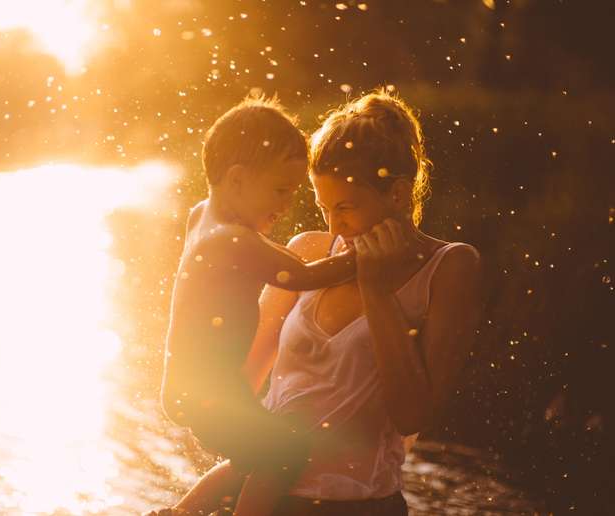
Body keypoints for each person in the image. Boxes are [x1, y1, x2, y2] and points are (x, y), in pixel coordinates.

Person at [157, 89, 482, 516]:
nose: (334, 225)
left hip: (360, 505)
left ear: (399, 194)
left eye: (346, 207)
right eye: (323, 206)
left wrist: (376, 287)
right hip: (267, 493)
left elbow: (410, 417)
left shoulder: (450, 267)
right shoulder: (308, 251)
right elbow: (245, 381)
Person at [154, 95, 359, 516]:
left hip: (192, 385)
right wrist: (360, 258)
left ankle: (177, 514)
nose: (285, 205)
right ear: (237, 180)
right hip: (212, 390)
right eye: (280, 191)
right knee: (285, 451)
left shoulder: (201, 216)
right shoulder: (232, 240)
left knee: (256, 452)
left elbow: (264, 256)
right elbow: (301, 275)